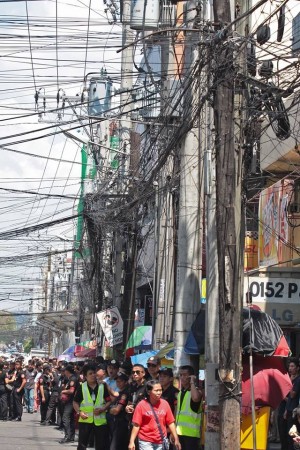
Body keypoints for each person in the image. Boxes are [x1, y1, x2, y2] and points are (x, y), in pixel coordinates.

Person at [128, 380, 181, 450]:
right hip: (146, 441)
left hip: (161, 441)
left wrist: (176, 439)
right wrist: (132, 441)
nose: (159, 393)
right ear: (149, 392)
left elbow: (171, 423)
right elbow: (136, 425)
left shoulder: (165, 404)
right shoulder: (141, 405)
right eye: (156, 390)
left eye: (160, 390)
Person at [73, 364, 111, 450]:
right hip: (85, 419)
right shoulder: (82, 387)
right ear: (85, 376)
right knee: (82, 444)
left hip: (100, 421)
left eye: (94, 373)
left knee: (101, 445)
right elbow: (75, 402)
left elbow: (109, 401)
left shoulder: (102, 386)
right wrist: (80, 412)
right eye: (90, 373)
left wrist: (103, 409)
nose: (93, 375)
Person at [175, 365, 202, 450]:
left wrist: (192, 382)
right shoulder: (181, 392)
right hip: (179, 432)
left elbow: (196, 398)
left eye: (185, 375)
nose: (182, 377)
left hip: (192, 435)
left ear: (191, 376)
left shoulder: (196, 391)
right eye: (181, 375)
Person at [108, 371, 130, 450]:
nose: (118, 383)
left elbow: (116, 410)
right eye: (117, 381)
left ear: (126, 382)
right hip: (116, 422)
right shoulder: (120, 392)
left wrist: (110, 410)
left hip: (122, 423)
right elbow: (113, 396)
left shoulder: (125, 394)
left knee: (115, 446)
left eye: (120, 381)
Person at [59, 364, 78, 444]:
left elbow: (71, 391)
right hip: (69, 402)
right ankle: (71, 437)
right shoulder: (69, 379)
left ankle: (67, 436)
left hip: (71, 402)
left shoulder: (72, 379)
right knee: (70, 419)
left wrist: (63, 391)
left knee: (65, 418)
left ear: (67, 371)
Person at [284, 358, 300, 450]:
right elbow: (289, 398)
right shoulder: (293, 379)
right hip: (289, 410)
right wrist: (286, 410)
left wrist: (289, 383)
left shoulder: (297, 380)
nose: (290, 368)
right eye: (289, 366)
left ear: (297, 368)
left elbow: (293, 395)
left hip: (295, 412)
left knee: (293, 436)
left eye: (292, 366)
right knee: (288, 436)